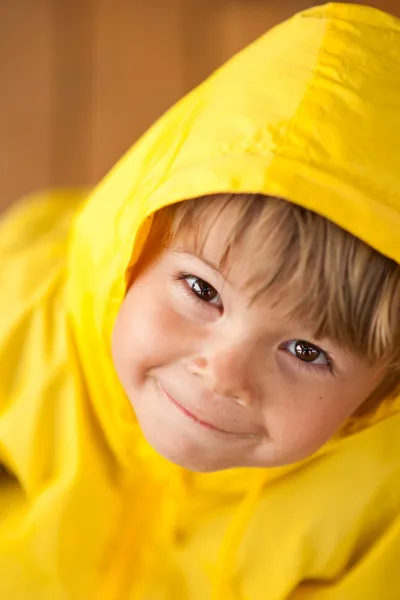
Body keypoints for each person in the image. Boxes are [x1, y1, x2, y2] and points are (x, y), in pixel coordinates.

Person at [1, 2, 400, 599]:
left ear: (384, 386)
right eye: (202, 290)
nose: (223, 375)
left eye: (304, 349)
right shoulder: (21, 313)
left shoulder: (381, 501)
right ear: (137, 246)